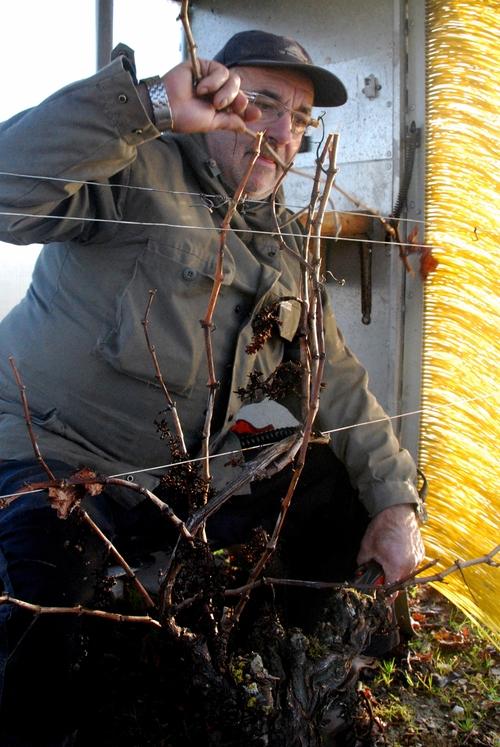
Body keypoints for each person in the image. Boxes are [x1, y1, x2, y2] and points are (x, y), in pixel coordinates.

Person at [0, 29, 424, 743]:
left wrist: (395, 500)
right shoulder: (137, 168)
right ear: (214, 95)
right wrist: (149, 105)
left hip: (192, 478)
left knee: (336, 494)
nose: (284, 135)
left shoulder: (283, 239)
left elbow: (340, 380)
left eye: (302, 119)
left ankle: (300, 675)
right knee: (45, 621)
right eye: (262, 104)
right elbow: (8, 188)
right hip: (56, 461)